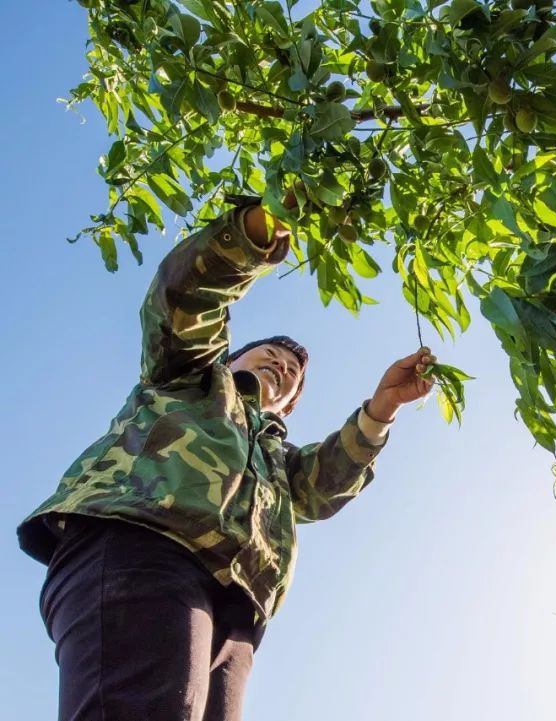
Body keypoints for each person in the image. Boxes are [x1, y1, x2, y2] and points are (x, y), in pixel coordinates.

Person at [17, 198, 435, 721]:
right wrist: (256, 231)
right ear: (233, 357)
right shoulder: (189, 377)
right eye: (271, 357)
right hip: (145, 549)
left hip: (237, 607)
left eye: (293, 374)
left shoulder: (276, 461)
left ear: (288, 404)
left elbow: (324, 486)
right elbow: (183, 300)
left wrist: (383, 408)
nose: (283, 367)